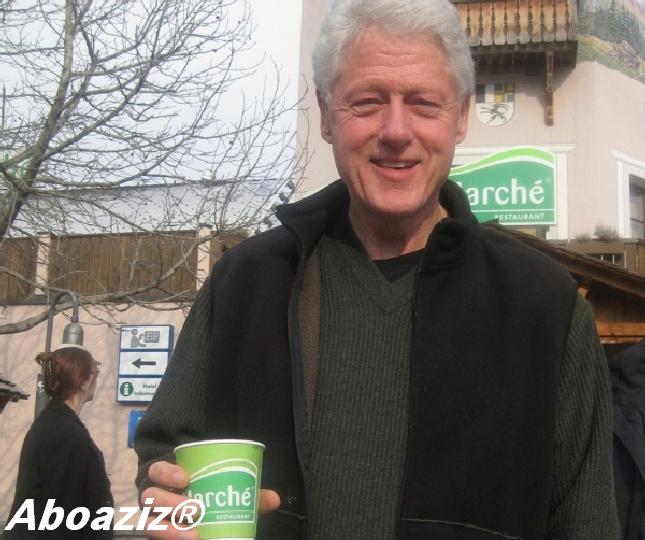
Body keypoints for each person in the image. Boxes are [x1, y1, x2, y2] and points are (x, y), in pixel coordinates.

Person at [134, 0, 620, 538]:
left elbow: (586, 523)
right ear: (325, 115)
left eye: (423, 103)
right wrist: (168, 497)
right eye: (367, 102)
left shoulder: (545, 307)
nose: (396, 130)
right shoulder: (248, 281)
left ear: (461, 116)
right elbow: (166, 454)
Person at [4, 346, 113, 539]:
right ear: (83, 382)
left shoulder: (55, 423)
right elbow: (61, 514)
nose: (96, 380)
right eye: (95, 373)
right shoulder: (65, 432)